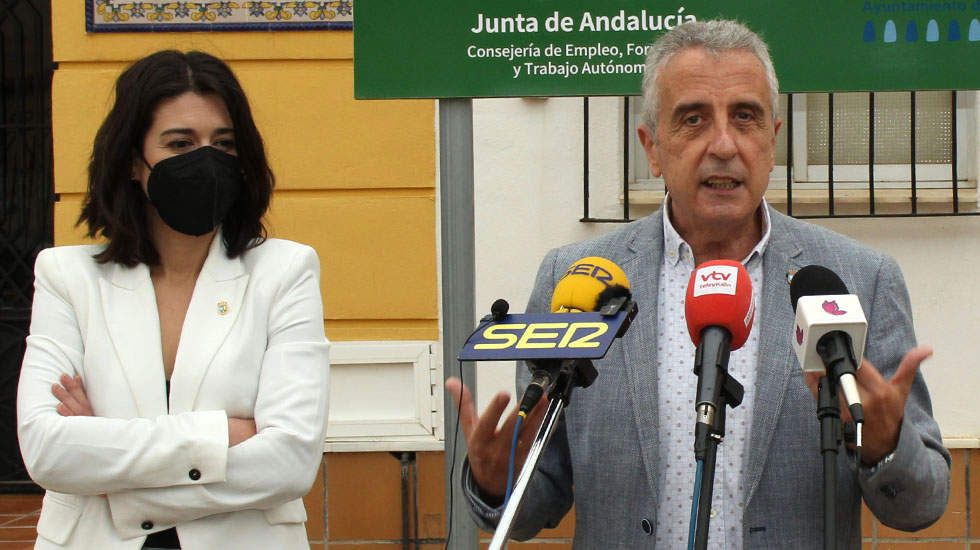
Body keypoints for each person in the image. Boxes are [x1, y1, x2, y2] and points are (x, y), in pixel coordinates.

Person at [447, 20, 950, 548]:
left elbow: (922, 505)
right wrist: (494, 478)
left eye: (745, 116)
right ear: (653, 147)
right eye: (693, 119)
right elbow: (532, 506)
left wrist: (886, 444)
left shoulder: (860, 279)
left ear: (773, 140)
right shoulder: (574, 281)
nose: (725, 145)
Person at [17, 50, 330, 549]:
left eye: (223, 144)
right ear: (132, 163)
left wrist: (110, 463)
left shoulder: (285, 272)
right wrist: (222, 436)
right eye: (180, 143)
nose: (205, 160)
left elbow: (289, 462)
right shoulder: (66, 277)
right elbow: (47, 451)